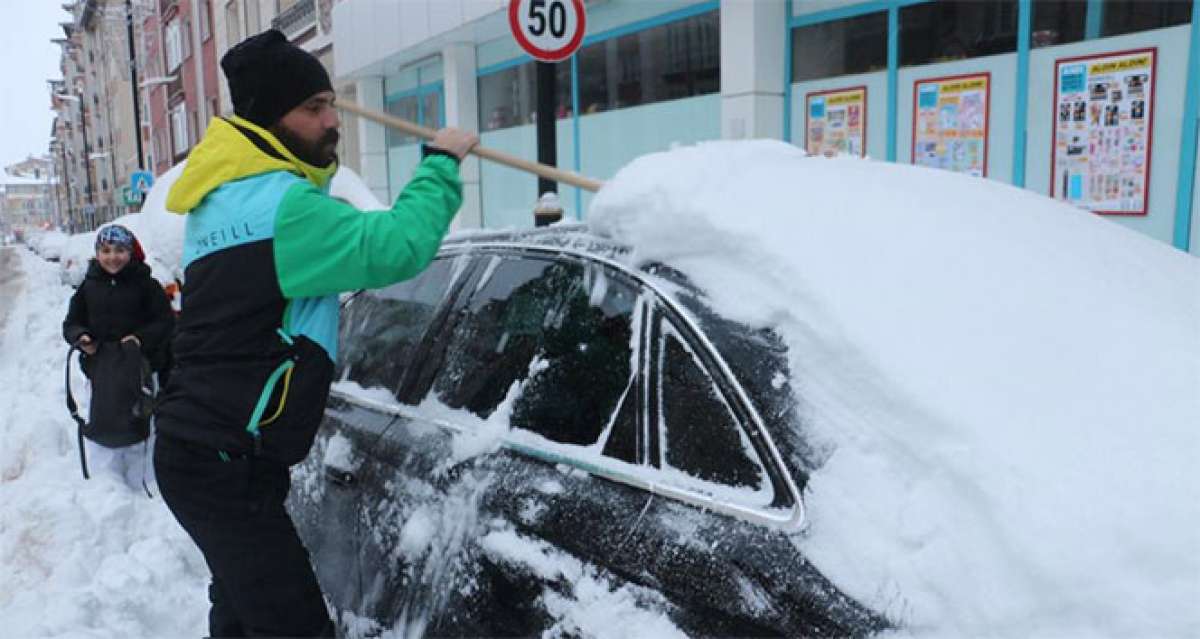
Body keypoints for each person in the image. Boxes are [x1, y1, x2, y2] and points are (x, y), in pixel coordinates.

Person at [153, 29, 477, 638]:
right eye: (313, 108)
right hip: (223, 459)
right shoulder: (285, 208)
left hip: (204, 449)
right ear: (271, 120)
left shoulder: (224, 196)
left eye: (331, 102)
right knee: (294, 625)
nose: (333, 120)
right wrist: (439, 165)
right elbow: (398, 246)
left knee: (244, 610)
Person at [62, 224, 175, 483]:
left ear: (131, 253)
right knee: (106, 413)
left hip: (142, 367)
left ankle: (146, 469)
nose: (112, 256)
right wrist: (81, 337)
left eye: (120, 250)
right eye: (106, 250)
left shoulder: (147, 285)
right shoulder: (88, 287)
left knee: (145, 415)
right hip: (101, 367)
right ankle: (107, 473)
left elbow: (165, 322)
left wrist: (140, 339)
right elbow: (71, 323)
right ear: (97, 253)